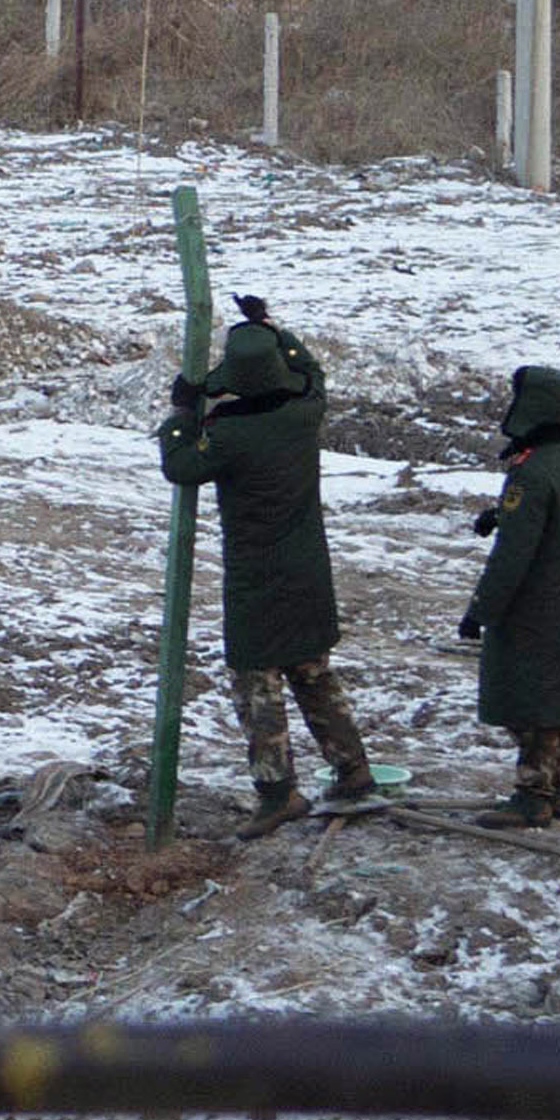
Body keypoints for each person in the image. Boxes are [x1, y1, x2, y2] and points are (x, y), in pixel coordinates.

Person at [156, 308, 371, 828]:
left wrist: (181, 415)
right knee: (313, 673)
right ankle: (354, 771)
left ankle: (278, 795)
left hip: (256, 577)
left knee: (258, 686)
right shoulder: (303, 415)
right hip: (309, 571)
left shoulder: (230, 437)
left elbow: (181, 466)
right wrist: (280, 332)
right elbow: (313, 374)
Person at [459, 364, 560, 826]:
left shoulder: (532, 470)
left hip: (534, 606)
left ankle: (532, 796)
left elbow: (513, 556)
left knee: (530, 700)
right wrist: (502, 515)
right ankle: (555, 789)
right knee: (557, 700)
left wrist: (480, 611)